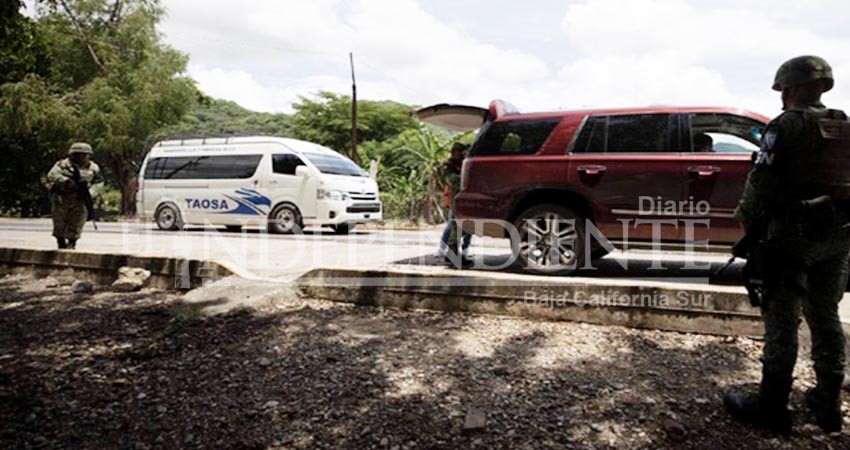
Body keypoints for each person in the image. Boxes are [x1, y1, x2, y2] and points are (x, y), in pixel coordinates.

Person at [724, 56, 850, 435]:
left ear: (791, 88)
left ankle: (772, 406)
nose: (781, 98)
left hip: (794, 235)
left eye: (783, 91)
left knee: (782, 319)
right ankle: (828, 405)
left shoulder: (787, 125)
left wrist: (746, 219)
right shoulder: (843, 123)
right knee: (826, 314)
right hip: (839, 233)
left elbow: (762, 178)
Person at [46, 142, 103, 249]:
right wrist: (65, 181)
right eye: (78, 154)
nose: (82, 157)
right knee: (60, 221)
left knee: (78, 221)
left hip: (81, 199)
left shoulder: (93, 167)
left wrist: (91, 193)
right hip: (63, 198)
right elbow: (52, 176)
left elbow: (99, 182)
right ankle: (60, 240)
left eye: (84, 154)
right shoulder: (63, 165)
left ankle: (72, 241)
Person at [438, 142, 472, 268]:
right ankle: (451, 255)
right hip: (455, 200)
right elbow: (452, 180)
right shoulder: (448, 166)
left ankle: (456, 254)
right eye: (460, 152)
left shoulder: (462, 164)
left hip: (465, 199)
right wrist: (467, 176)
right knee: (454, 227)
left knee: (464, 227)